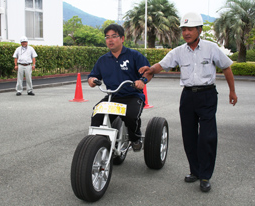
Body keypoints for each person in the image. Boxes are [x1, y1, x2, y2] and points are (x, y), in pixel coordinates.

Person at [139, 12, 238, 192]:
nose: (186, 33)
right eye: (184, 29)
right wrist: (150, 69)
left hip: (207, 95)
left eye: (190, 29)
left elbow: (226, 67)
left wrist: (232, 91)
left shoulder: (211, 48)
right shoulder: (178, 51)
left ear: (199, 30)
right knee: (189, 136)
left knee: (207, 137)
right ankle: (195, 171)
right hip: (187, 97)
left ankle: (206, 175)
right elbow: (162, 65)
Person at [88, 24, 152, 151]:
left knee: (130, 116)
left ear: (122, 38)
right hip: (113, 96)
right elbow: (92, 76)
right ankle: (102, 145)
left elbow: (148, 72)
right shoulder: (103, 60)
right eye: (107, 37)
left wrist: (142, 81)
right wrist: (92, 80)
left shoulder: (134, 56)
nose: (110, 40)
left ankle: (135, 138)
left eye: (114, 36)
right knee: (97, 115)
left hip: (132, 95)